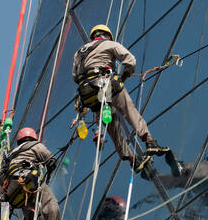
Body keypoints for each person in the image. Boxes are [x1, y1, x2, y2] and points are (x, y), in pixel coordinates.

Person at [71, 24, 168, 168]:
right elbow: (131, 61)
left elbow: (75, 76)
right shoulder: (109, 44)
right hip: (105, 84)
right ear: (107, 35)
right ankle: (149, 141)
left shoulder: (79, 53)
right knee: (129, 110)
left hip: (87, 94)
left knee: (112, 124)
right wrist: (125, 75)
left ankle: (131, 159)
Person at [0, 127, 78, 220]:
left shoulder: (10, 156)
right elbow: (50, 159)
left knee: (31, 212)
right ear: (33, 137)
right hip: (28, 178)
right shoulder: (35, 145)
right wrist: (49, 169)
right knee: (47, 199)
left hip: (12, 189)